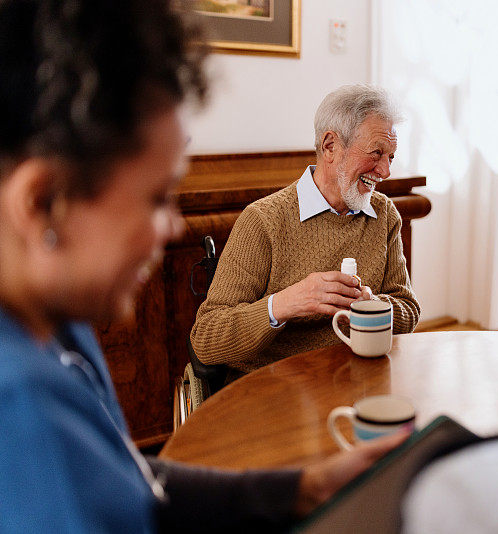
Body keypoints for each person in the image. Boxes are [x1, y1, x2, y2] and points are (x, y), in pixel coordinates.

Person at [0, 0, 406, 531]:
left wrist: (302, 490)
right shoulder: (20, 404)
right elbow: (208, 340)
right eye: (156, 197)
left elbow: (129, 479)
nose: (174, 227)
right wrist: (282, 306)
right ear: (42, 202)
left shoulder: (59, 328)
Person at [191, 84, 420, 374]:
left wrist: (372, 305)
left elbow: (409, 311)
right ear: (330, 146)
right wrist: (285, 304)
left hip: (358, 377)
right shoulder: (263, 221)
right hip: (277, 389)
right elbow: (207, 339)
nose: (386, 171)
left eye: (391, 157)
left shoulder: (384, 214)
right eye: (376, 153)